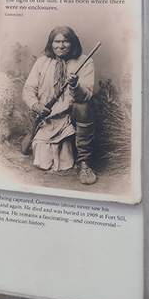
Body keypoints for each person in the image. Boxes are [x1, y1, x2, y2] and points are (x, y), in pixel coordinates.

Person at [22, 26, 97, 184]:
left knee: (83, 105)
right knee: (43, 160)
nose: (60, 46)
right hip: (47, 119)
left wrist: (75, 86)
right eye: (56, 42)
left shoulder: (85, 62)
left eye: (65, 41)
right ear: (51, 44)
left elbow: (86, 95)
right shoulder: (42, 62)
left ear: (73, 43)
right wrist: (36, 105)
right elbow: (28, 89)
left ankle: (85, 163)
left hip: (72, 116)